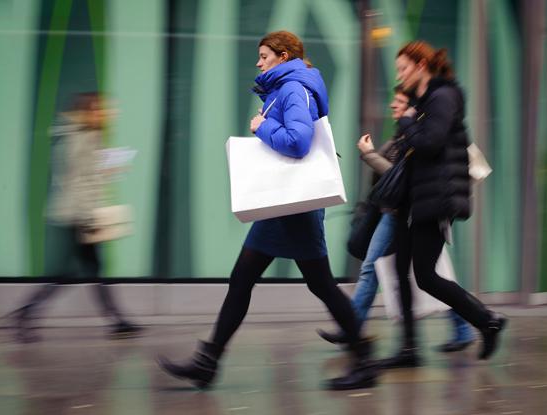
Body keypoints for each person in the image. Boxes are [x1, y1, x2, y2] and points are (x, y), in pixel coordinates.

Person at [157, 31, 376, 391]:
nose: (258, 63)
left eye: (263, 56)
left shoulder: (293, 89)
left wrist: (262, 127)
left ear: (284, 55)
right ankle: (207, 362)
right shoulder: (288, 87)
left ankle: (365, 359)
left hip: (295, 206)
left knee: (319, 283)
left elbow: (299, 142)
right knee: (244, 279)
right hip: (282, 204)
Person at [374, 40, 506, 370]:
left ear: (421, 66)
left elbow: (430, 143)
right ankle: (408, 350)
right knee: (401, 271)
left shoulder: (443, 96)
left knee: (426, 276)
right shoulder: (422, 100)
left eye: (403, 68)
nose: (399, 75)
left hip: (436, 199)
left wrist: (406, 121)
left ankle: (486, 320)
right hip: (414, 199)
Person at [316, 87, 475, 355]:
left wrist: (368, 154)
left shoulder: (416, 135)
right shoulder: (402, 134)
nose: (392, 105)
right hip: (397, 213)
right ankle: (461, 328)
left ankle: (353, 328)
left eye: (399, 101)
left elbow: (397, 176)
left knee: (382, 271)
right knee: (430, 276)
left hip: (405, 214)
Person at [7, 93, 142, 343]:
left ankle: (116, 320)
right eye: (102, 109)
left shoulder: (79, 136)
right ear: (90, 112)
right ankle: (28, 312)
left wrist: (109, 169)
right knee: (75, 272)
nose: (109, 113)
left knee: (88, 270)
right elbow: (78, 182)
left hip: (78, 213)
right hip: (79, 216)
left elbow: (85, 176)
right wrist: (88, 215)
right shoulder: (85, 137)